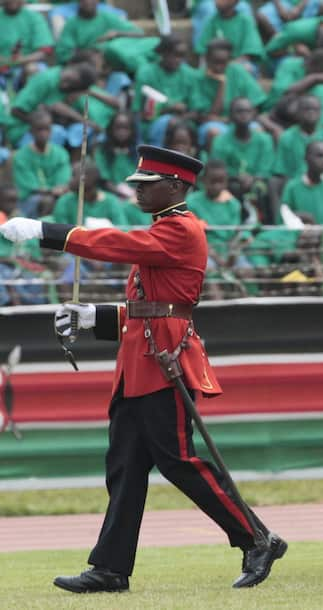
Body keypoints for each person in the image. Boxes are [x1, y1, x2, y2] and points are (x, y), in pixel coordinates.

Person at [0, 145, 287, 592]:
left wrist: (49, 232)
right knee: (125, 467)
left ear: (175, 186)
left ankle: (256, 537)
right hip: (141, 364)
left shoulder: (180, 230)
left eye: (146, 184)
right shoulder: (162, 229)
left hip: (163, 364)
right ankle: (111, 568)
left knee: (180, 462)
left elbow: (119, 247)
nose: (137, 191)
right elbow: (149, 309)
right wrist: (94, 318)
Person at [189, 39, 267, 147]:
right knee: (213, 132)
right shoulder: (197, 77)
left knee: (257, 130)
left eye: (223, 62)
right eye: (215, 62)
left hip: (241, 119)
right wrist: (222, 83)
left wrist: (229, 119)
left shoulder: (238, 71)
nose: (218, 67)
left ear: (229, 60)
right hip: (214, 124)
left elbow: (256, 105)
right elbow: (210, 116)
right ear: (206, 59)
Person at [207, 97, 274, 213]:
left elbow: (266, 170)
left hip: (257, 182)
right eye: (239, 111)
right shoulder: (220, 141)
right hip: (231, 183)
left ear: (253, 114)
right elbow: (218, 170)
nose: (244, 115)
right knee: (231, 188)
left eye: (248, 111)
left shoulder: (265, 140)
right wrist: (238, 178)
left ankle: (265, 224)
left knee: (265, 187)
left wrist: (252, 178)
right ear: (231, 116)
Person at [7, 61, 97, 147]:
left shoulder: (65, 89)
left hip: (39, 130)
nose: (66, 85)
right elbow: (15, 110)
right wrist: (40, 121)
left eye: (73, 85)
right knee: (57, 132)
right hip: (20, 129)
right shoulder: (47, 79)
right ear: (72, 68)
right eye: (69, 80)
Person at [132, 35, 200, 147]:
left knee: (181, 130)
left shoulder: (190, 75)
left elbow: (195, 112)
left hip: (184, 122)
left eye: (182, 56)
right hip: (151, 123)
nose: (178, 59)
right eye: (174, 54)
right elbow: (138, 112)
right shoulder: (146, 73)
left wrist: (179, 120)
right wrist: (169, 109)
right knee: (167, 122)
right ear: (163, 52)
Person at [273, 94, 323, 185]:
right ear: (298, 112)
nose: (311, 113)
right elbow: (281, 172)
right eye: (307, 109)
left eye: (315, 109)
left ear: (321, 113)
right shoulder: (287, 137)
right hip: (295, 187)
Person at [12, 108, 71, 219]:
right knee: (47, 201)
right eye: (39, 129)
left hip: (55, 196)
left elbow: (63, 180)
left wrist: (59, 189)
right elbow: (29, 186)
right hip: (30, 200)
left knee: (68, 199)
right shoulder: (21, 156)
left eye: (47, 129)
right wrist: (51, 190)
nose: (43, 133)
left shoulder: (61, 154)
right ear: (31, 131)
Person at [280, 140, 323, 224]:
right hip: (301, 234)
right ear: (306, 157)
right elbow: (283, 219)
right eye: (320, 156)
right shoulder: (292, 186)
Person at [53, 0, 144, 63]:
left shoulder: (108, 18)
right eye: (85, 0)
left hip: (110, 65)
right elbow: (64, 55)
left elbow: (140, 33)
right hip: (84, 65)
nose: (88, 2)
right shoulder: (72, 24)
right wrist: (93, 51)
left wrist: (117, 33)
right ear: (79, 2)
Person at [196, 0, 265, 66]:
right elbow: (203, 52)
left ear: (235, 1)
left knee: (247, 67)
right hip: (215, 65)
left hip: (239, 64)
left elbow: (249, 53)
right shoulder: (211, 21)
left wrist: (229, 66)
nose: (217, 1)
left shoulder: (245, 21)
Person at [0, 0, 54, 79]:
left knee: (32, 68)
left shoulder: (34, 17)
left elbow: (45, 51)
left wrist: (19, 60)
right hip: (2, 66)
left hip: (27, 64)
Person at [95, 110, 139, 198]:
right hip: (110, 195)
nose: (122, 132)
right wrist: (121, 193)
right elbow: (104, 180)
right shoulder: (102, 151)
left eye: (126, 128)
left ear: (132, 130)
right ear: (111, 129)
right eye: (118, 128)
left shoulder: (139, 152)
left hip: (135, 196)